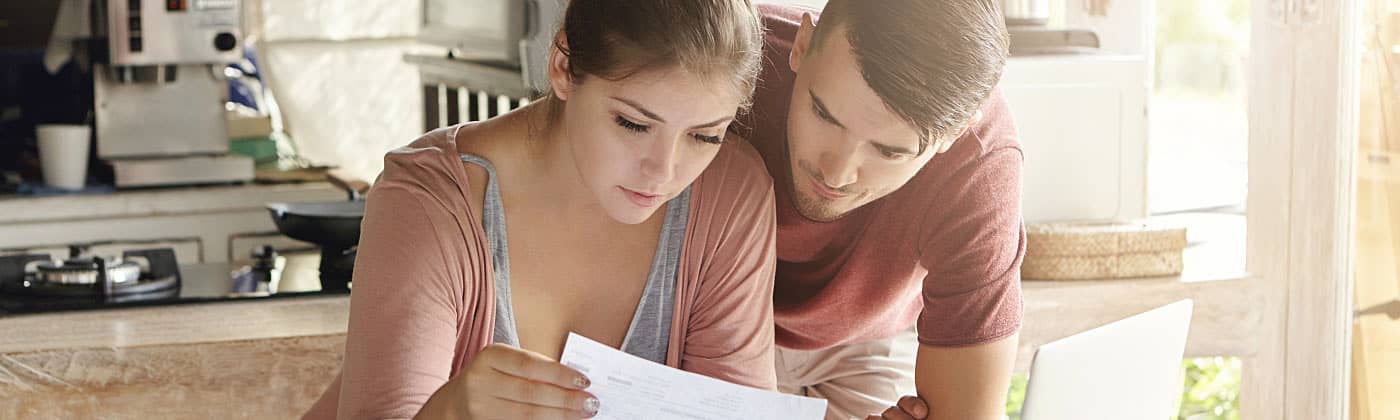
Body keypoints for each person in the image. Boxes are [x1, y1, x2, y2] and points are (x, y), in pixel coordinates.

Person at [301, 1, 778, 418]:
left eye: (704, 135)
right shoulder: (429, 200)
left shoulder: (730, 196)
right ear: (562, 68)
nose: (664, 171)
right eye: (633, 124)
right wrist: (449, 414)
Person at [732, 1, 1024, 419]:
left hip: (863, 340)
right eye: (823, 113)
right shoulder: (727, 57)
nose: (835, 174)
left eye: (888, 150)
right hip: (711, 318)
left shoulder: (981, 166)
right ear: (802, 44)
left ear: (954, 134)